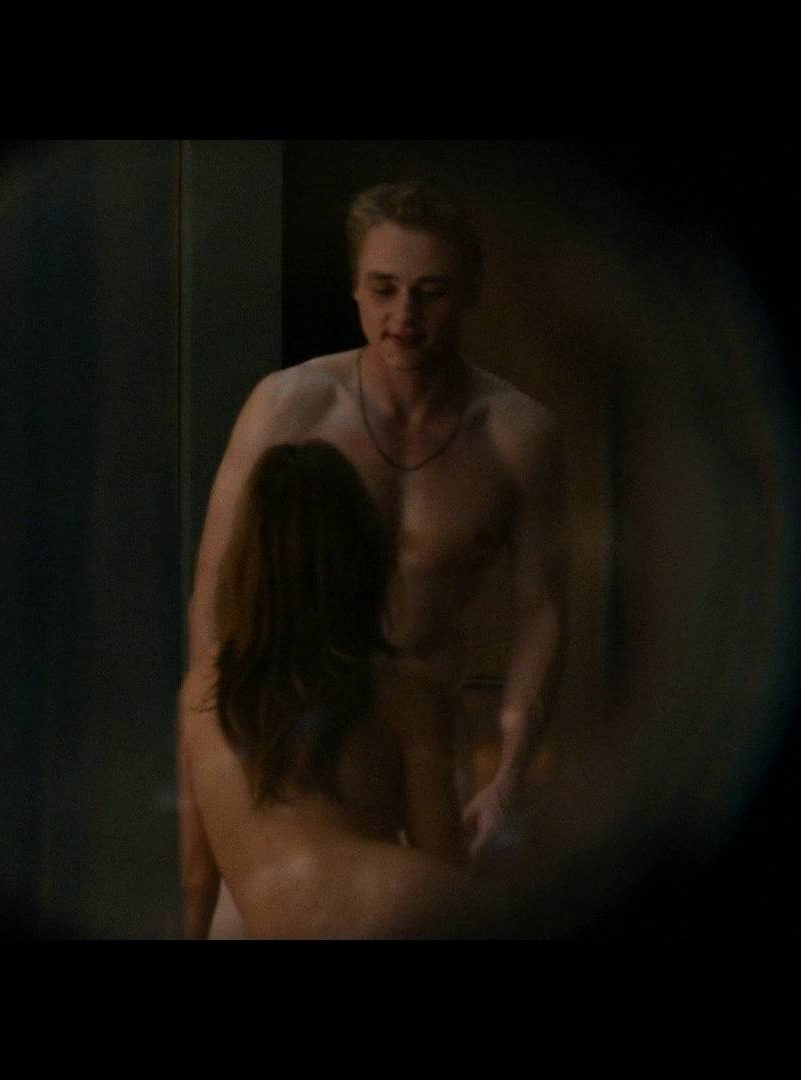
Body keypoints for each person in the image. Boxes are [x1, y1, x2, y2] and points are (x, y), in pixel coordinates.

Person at [177, 181, 565, 939]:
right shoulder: (287, 406)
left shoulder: (517, 435)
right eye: (384, 289)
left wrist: (512, 774)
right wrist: (224, 760)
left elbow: (541, 610)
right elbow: (215, 595)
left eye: (430, 292)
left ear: (470, 292)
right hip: (286, 768)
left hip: (422, 751)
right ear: (355, 288)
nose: (403, 315)